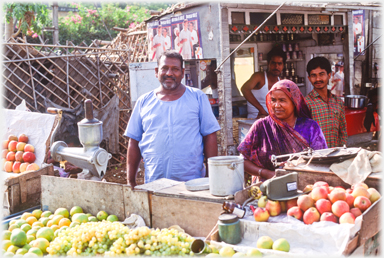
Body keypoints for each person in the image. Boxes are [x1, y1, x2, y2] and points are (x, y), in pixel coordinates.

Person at [125, 50, 220, 188]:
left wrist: (211, 176)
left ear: (182, 72)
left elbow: (210, 136)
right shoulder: (144, 102)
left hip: (191, 183)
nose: (169, 73)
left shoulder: (197, 97)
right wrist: (131, 181)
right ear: (157, 71)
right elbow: (134, 141)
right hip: (154, 183)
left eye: (175, 69)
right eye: (165, 68)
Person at [237, 80, 327, 182]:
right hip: (267, 186)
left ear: (295, 102)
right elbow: (243, 160)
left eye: (282, 100)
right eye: (273, 100)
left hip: (303, 185)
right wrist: (265, 173)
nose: (276, 105)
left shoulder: (310, 127)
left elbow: (321, 160)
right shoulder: (261, 126)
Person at [305, 56, 347, 148]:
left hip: (337, 155)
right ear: (309, 78)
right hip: (316, 157)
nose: (318, 79)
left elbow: (343, 131)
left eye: (321, 74)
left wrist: (342, 151)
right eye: (313, 75)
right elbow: (303, 135)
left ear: (329, 75)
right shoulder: (306, 103)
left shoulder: (338, 102)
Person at [241, 46, 286, 119]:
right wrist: (261, 109)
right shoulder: (259, 77)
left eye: (279, 63)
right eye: (273, 63)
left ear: (283, 65)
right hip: (254, 120)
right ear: (268, 63)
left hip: (271, 121)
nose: (276, 66)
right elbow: (244, 89)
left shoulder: (281, 83)